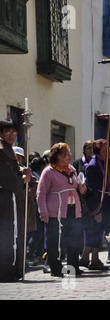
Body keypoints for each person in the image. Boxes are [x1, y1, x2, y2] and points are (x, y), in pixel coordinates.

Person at [37, 143, 87, 277]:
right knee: (55, 240)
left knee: (74, 239)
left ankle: (73, 267)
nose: (70, 156)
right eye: (67, 153)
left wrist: (81, 188)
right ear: (58, 156)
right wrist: (43, 212)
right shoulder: (49, 171)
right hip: (56, 211)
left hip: (73, 209)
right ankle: (55, 268)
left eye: (69, 153)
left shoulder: (71, 169)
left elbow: (76, 184)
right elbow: (41, 193)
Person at [0, 119, 31, 282]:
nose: (11, 135)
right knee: (7, 234)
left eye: (14, 132)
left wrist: (22, 172)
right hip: (5, 197)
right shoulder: (1, 150)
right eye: (8, 131)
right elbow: (7, 177)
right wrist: (23, 180)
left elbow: (12, 171)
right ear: (1, 133)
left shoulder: (7, 149)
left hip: (9, 196)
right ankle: (6, 271)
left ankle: (13, 269)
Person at [81, 139, 110, 270]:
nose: (108, 153)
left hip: (106, 201)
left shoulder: (107, 162)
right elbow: (92, 191)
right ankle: (92, 259)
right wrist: (97, 210)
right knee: (94, 231)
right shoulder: (93, 166)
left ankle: (91, 258)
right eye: (104, 151)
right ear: (97, 152)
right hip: (97, 203)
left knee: (98, 231)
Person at [27, 157, 47, 267]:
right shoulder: (34, 176)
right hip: (34, 208)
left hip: (37, 208)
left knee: (38, 233)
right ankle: (29, 255)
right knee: (36, 233)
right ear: (41, 167)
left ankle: (36, 254)